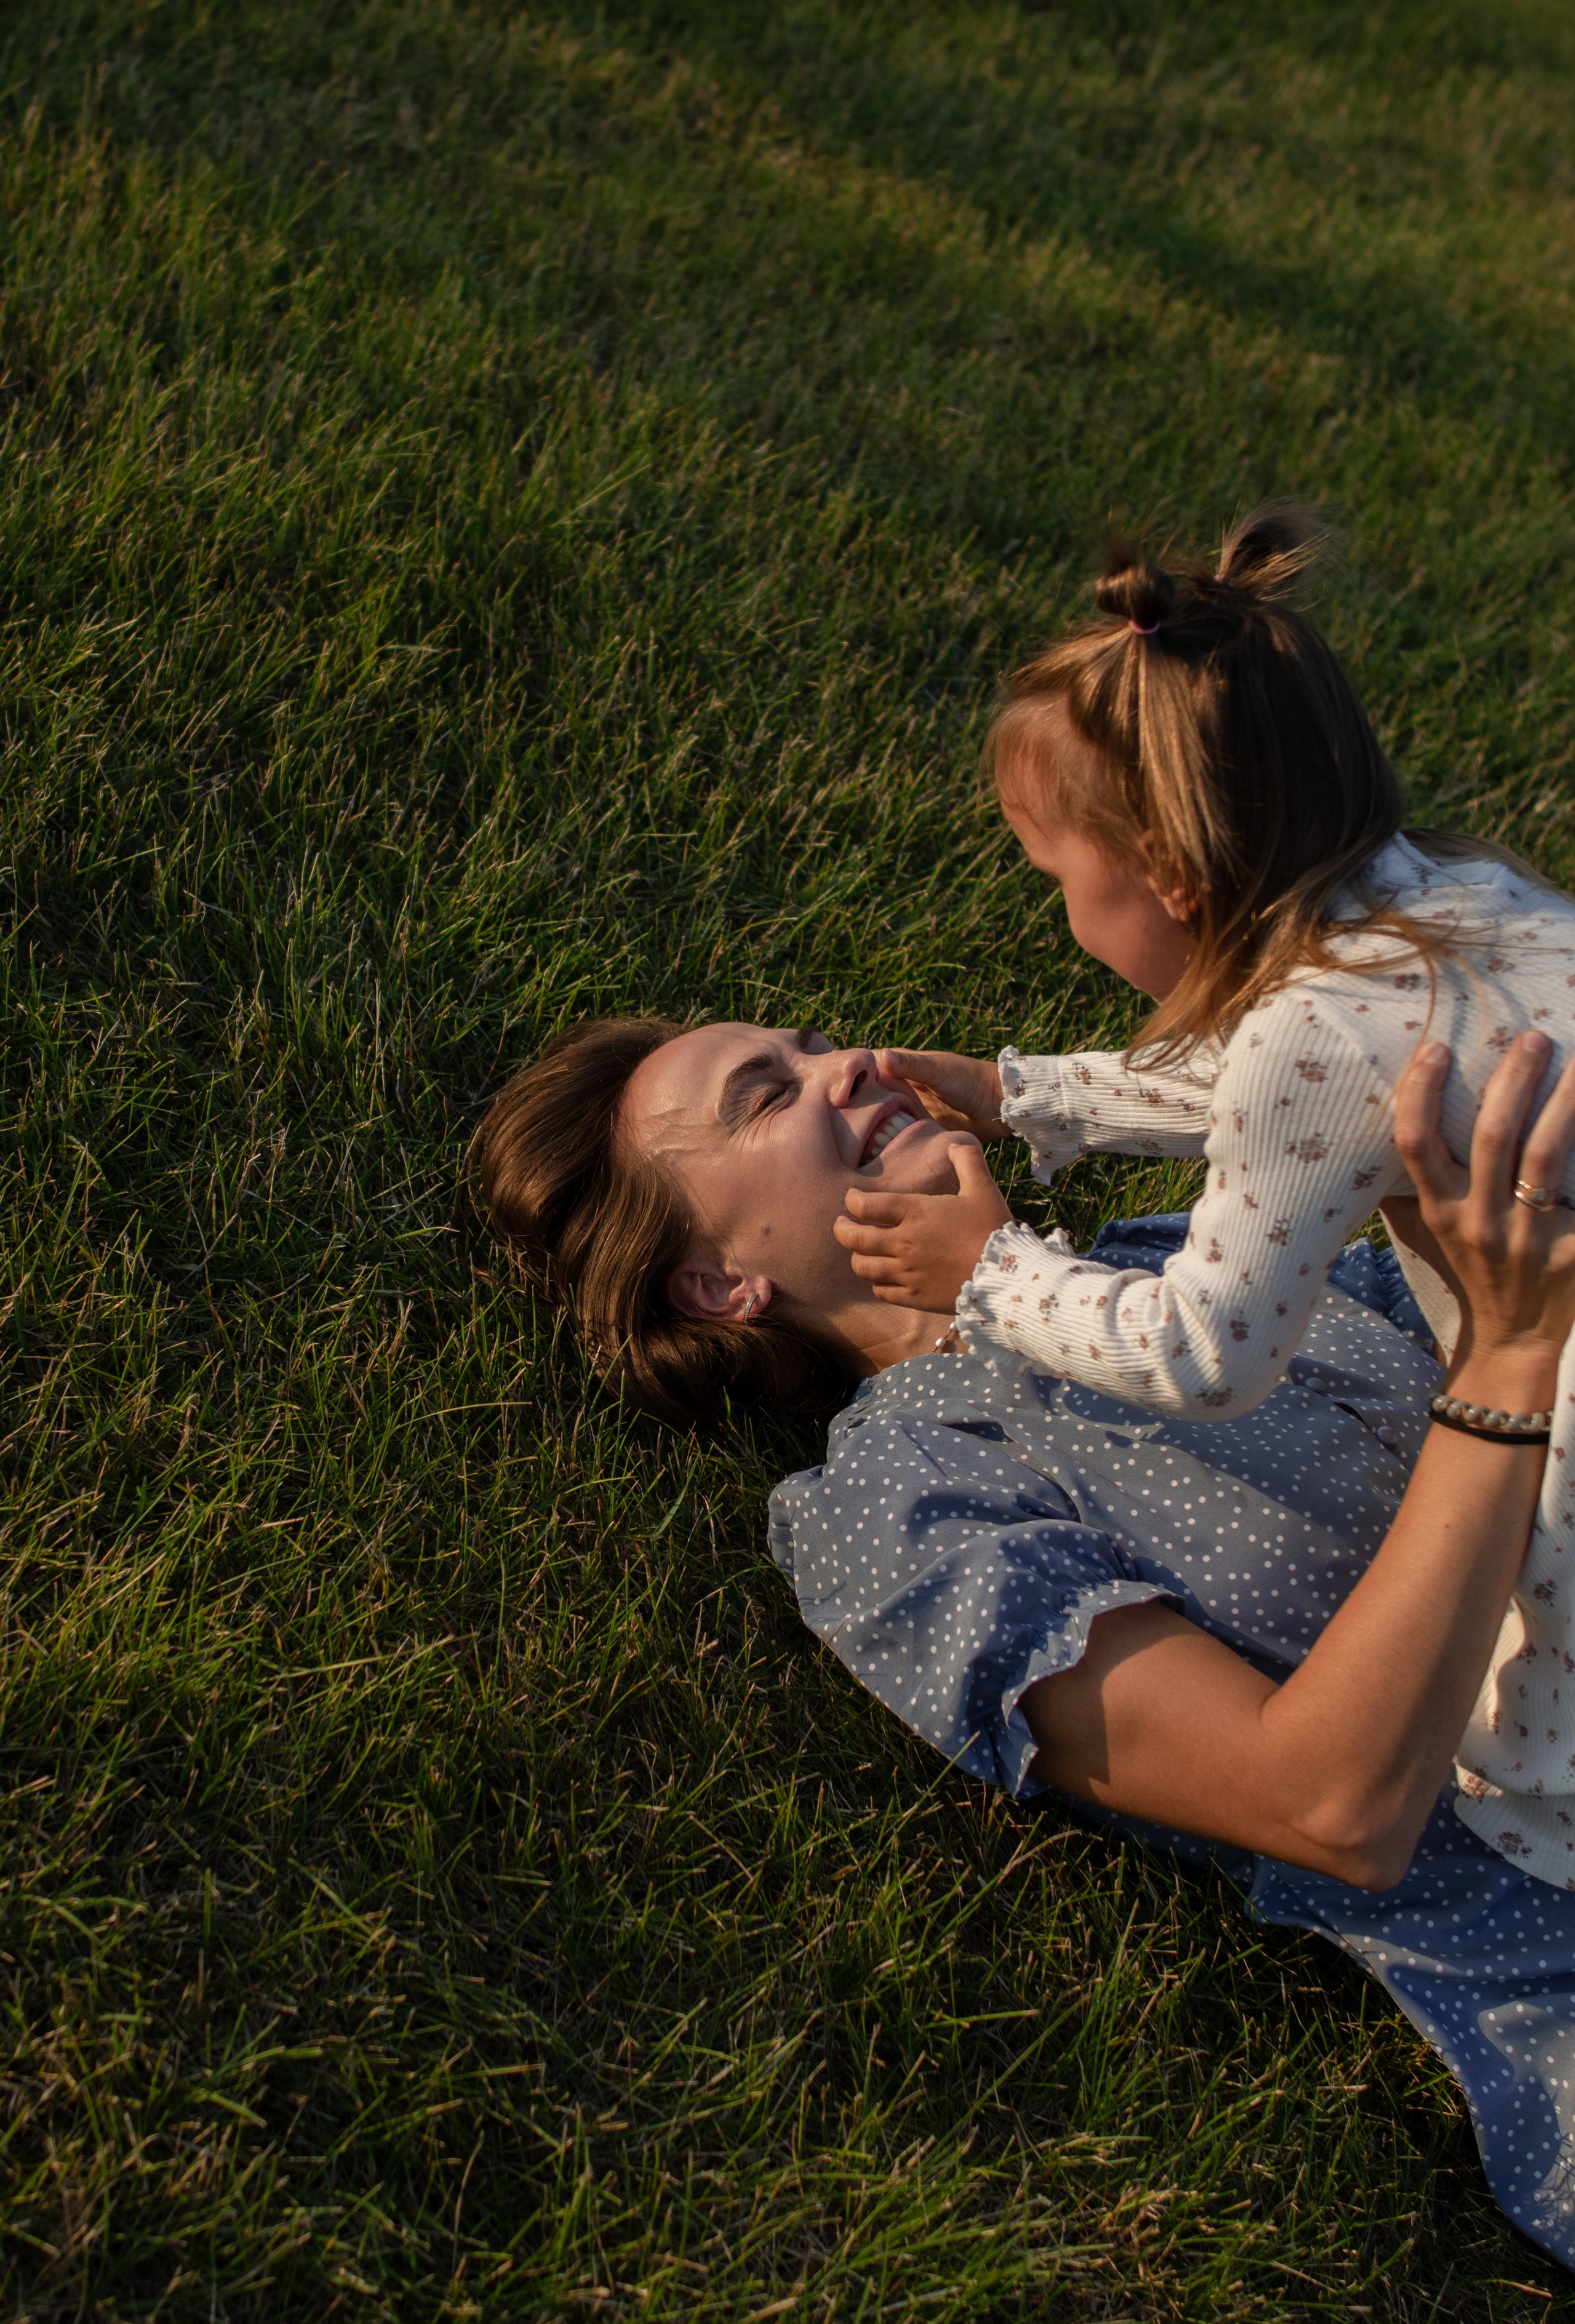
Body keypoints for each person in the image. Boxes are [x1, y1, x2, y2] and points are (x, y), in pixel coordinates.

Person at [471, 1010, 1575, 2266]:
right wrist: (1505, 1366)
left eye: (818, 1040)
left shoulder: (1175, 1265)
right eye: (764, 1094)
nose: (845, 1063)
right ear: (723, 1283)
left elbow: (1490, 1263)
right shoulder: (898, 1500)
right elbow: (1330, 1801)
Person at [829, 508, 1575, 1887]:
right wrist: (1024, 1096)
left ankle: (1541, 1807)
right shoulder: (1451, 898)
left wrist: (987, 1267)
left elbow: (1206, 1351)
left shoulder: (1314, 1033)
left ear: (1166, 879)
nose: (1056, 907)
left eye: (1057, 880)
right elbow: (1262, 1083)